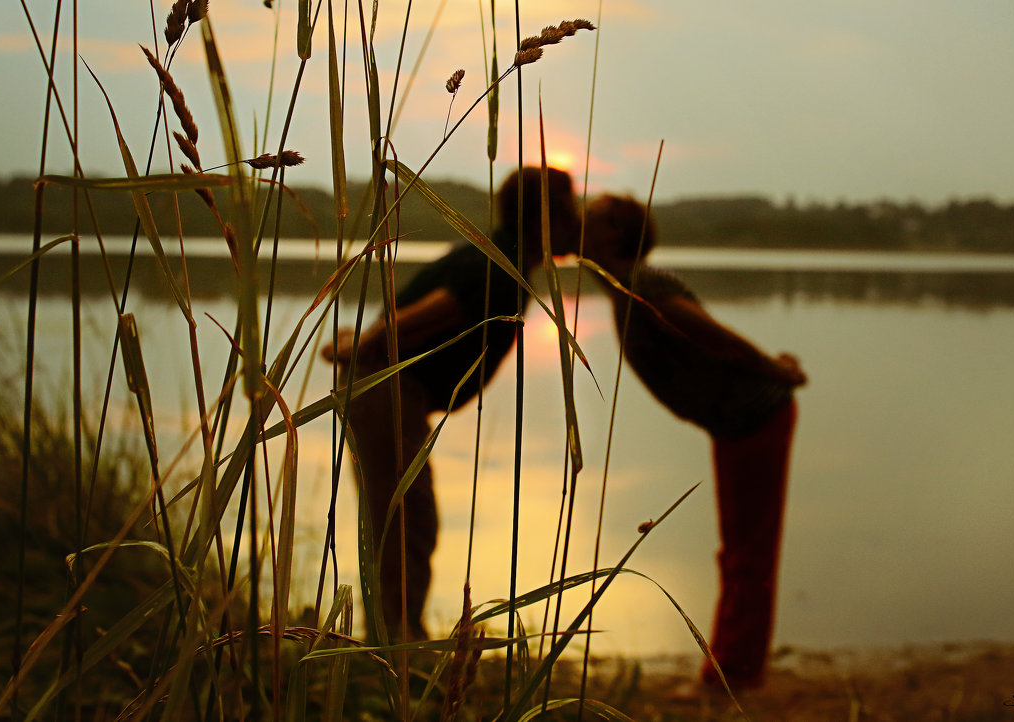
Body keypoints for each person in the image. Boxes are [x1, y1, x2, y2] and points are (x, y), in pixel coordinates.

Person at [322, 167, 581, 641]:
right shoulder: (496, 267)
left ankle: (393, 638)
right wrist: (353, 348)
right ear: (550, 215)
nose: (578, 217)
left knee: (402, 516)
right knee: (403, 518)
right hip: (387, 387)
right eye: (572, 207)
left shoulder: (498, 257)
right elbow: (414, 321)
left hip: (392, 389)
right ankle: (396, 643)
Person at [581, 195, 807, 690]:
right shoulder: (623, 288)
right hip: (733, 424)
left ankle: (736, 673)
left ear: (615, 236)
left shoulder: (645, 285)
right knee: (738, 550)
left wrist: (779, 370)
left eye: (590, 220)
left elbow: (715, 337)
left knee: (749, 552)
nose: (578, 224)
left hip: (756, 418)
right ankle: (730, 666)